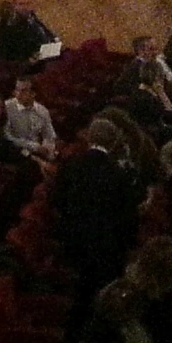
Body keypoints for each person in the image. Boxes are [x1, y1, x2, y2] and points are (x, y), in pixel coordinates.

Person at [53, 118, 142, 300]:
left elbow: (57, 200)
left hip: (73, 241)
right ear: (113, 142)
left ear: (89, 137)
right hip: (107, 249)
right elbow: (127, 214)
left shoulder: (71, 165)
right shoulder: (118, 174)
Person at [0, 0, 57, 65]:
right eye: (21, 4)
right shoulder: (10, 24)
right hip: (25, 63)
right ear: (14, 5)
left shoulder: (31, 17)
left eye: (28, 4)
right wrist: (34, 57)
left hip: (44, 52)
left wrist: (54, 40)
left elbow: (44, 31)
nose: (25, 7)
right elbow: (15, 51)